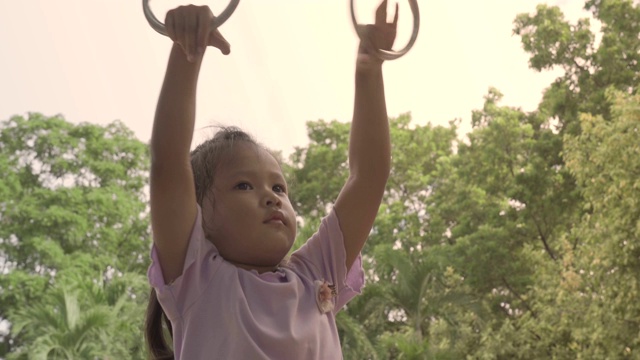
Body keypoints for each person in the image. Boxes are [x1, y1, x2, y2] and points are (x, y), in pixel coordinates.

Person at [145, 1, 398, 359]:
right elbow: (168, 165)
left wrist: (369, 69)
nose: (271, 197)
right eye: (244, 186)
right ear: (198, 215)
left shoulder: (315, 273)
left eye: (279, 187)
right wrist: (187, 52)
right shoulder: (197, 279)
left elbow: (369, 176)